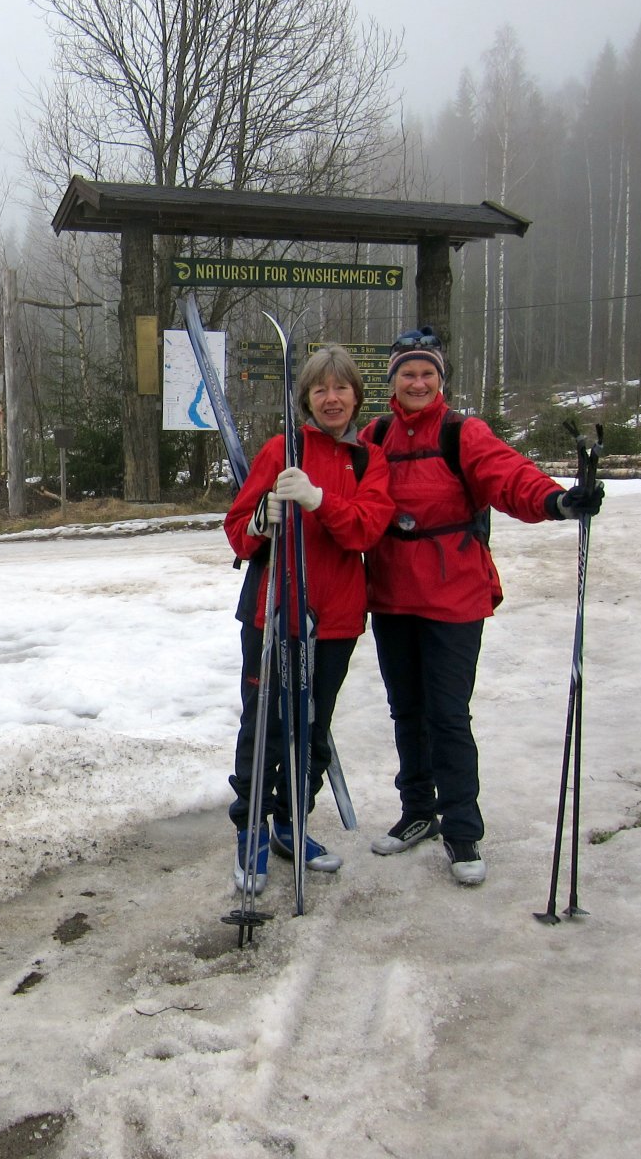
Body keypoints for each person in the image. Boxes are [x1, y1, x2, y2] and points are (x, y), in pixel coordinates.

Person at [358, 327, 604, 886]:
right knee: (407, 711)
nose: (417, 382)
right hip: (393, 593)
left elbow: (506, 474)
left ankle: (462, 829)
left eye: (427, 374)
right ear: (392, 380)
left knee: (447, 714)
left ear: (439, 380)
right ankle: (418, 811)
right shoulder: (375, 435)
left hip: (453, 595)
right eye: (407, 373)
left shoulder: (462, 432)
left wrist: (557, 500)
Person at [224, 345, 394, 893]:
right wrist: (261, 518)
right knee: (265, 725)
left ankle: (291, 824)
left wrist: (320, 501)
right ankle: (250, 830)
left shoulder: (368, 460)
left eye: (341, 388)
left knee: (312, 731)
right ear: (307, 399)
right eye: (320, 389)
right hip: (273, 613)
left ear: (355, 397)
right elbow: (236, 531)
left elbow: (368, 529)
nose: (331, 398)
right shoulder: (282, 449)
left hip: (336, 618)